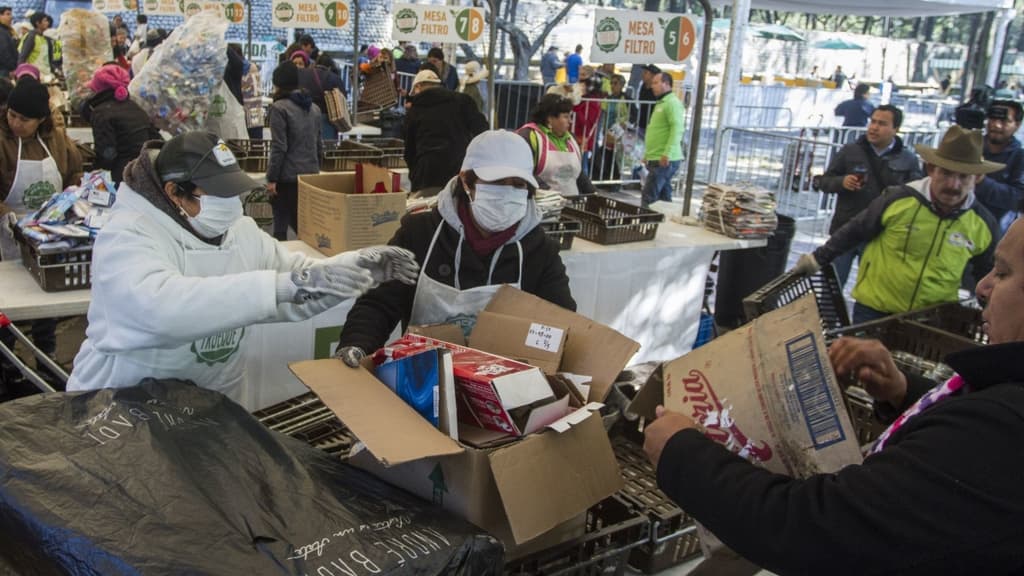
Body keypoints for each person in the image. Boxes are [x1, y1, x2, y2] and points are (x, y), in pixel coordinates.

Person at [643, 216, 1024, 575]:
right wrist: (905, 393)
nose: (982, 287)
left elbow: (814, 528)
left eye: (1004, 273)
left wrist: (681, 455)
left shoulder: (1002, 429)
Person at [65, 131, 419, 407]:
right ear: (174, 192)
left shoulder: (240, 232)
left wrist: (355, 269)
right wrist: (281, 286)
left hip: (213, 407)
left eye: (234, 192)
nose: (231, 204)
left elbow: (296, 284)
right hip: (125, 408)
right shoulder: (128, 234)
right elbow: (159, 310)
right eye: (217, 193)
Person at [334, 130, 576, 366]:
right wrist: (357, 345)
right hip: (421, 376)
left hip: (505, 384)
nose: (507, 192)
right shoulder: (419, 234)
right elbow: (379, 304)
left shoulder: (539, 250)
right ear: (466, 181)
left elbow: (562, 324)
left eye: (518, 184)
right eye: (496, 182)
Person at [794, 125, 1000, 323]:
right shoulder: (899, 199)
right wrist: (816, 260)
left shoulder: (983, 224)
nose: (953, 185)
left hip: (931, 321)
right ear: (931, 169)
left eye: (963, 177)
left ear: (977, 178)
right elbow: (855, 230)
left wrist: (992, 307)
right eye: (946, 173)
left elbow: (988, 272)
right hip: (873, 311)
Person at [0, 78, 83, 381]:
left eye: (24, 119)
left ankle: (46, 360)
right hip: (6, 234)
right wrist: (7, 216)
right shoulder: (2, 140)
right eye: (12, 115)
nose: (16, 123)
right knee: (6, 303)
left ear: (40, 120)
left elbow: (73, 173)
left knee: (45, 297)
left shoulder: (57, 139)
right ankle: (7, 365)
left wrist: (71, 201)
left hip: (48, 234)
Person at [817, 105, 924, 287]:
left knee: (871, 290)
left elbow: (915, 196)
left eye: (882, 124)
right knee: (831, 287)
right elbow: (823, 181)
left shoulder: (908, 159)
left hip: (880, 234)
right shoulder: (850, 151)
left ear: (895, 129)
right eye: (873, 122)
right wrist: (842, 182)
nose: (874, 127)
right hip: (845, 229)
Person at [402, 69, 487, 197]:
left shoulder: (414, 111)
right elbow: (482, 130)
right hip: (460, 170)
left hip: (427, 174)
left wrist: (415, 177)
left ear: (418, 87)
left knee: (427, 208)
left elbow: (410, 151)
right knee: (459, 206)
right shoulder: (463, 100)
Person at [266, 62, 322, 241]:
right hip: (310, 175)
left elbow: (279, 147)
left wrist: (272, 178)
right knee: (305, 228)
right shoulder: (314, 108)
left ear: (278, 84)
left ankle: (280, 256)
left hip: (287, 177)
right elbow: (318, 144)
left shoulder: (279, 108)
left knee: (281, 227)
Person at [81, 64, 161, 187]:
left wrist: (95, 170)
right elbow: (154, 138)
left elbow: (107, 153)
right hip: (146, 171)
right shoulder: (136, 107)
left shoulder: (101, 113)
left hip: (122, 175)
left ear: (99, 90)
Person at [517, 94, 595, 197]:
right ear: (550, 118)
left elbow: (579, 174)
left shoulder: (571, 139)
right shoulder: (530, 136)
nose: (570, 121)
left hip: (571, 202)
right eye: (566, 117)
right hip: (541, 202)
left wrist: (594, 193)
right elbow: (525, 171)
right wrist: (551, 195)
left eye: (570, 116)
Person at [974, 99, 1024, 234]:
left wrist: (982, 182)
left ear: (1017, 125)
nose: (996, 125)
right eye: (992, 118)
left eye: (1004, 121)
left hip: (995, 231)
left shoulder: (1020, 157)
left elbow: (1018, 198)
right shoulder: (972, 146)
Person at [641, 72, 684, 206]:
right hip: (657, 156)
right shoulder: (662, 103)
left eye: (656, 83)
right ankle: (665, 217)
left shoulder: (672, 103)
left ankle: (646, 218)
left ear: (666, 84)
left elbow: (677, 129)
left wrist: (667, 153)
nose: (652, 86)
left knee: (649, 195)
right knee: (663, 197)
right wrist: (647, 154)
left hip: (664, 159)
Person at [296, 54, 345, 140]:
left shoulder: (304, 74)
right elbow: (343, 98)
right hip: (327, 120)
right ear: (330, 67)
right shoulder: (334, 77)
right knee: (326, 145)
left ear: (316, 64)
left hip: (304, 117)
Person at [573, 66, 604, 177]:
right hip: (574, 135)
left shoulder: (593, 100)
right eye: (579, 74)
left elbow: (587, 123)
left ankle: (584, 185)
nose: (580, 79)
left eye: (583, 75)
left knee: (582, 164)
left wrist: (575, 107)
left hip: (583, 137)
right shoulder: (581, 97)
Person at [17, 12, 58, 80]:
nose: (47, 23)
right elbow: (22, 57)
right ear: (38, 23)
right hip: (34, 76)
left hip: (45, 75)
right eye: (45, 21)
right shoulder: (31, 37)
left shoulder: (45, 39)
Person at [0, 6, 17, 78]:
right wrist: (13, 67)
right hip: (4, 70)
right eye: (7, 14)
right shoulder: (1, 31)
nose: (11, 17)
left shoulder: (7, 31)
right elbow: (3, 52)